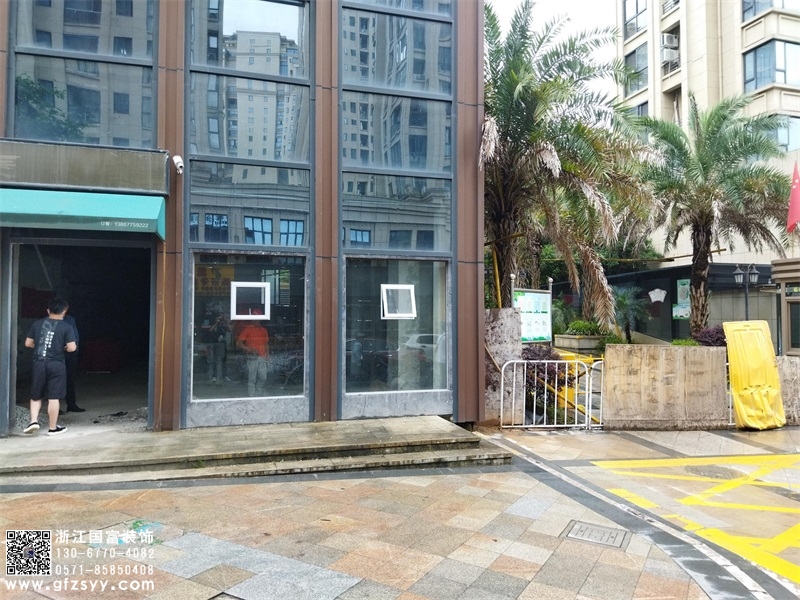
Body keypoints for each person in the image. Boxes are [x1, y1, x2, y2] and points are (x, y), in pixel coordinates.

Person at [23, 298, 76, 436]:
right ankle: (52, 428)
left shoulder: (37, 324)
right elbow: (72, 348)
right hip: (56, 364)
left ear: (48, 310)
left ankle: (33, 421)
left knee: (36, 395)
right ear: (64, 311)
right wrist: (60, 347)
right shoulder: (66, 327)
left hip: (39, 363)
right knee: (54, 397)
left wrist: (42, 346)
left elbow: (28, 343)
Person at [236, 311, 269, 396]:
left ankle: (258, 393)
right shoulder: (247, 329)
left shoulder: (264, 330)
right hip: (252, 357)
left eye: (257, 318)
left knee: (263, 377)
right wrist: (248, 349)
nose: (255, 320)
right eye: (254, 318)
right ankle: (252, 396)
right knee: (252, 378)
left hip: (262, 357)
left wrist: (267, 355)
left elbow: (266, 343)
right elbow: (238, 343)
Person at [62, 307, 85, 412]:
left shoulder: (70, 320)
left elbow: (75, 336)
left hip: (70, 353)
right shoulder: (48, 321)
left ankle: (71, 404)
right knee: (54, 381)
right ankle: (55, 407)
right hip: (55, 355)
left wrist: (74, 348)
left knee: (70, 380)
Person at [206, 314, 231, 384]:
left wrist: (226, 322)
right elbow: (210, 330)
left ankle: (224, 376)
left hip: (223, 344)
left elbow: (230, 330)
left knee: (224, 361)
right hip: (215, 344)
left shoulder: (223, 326)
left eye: (220, 319)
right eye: (218, 319)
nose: (220, 321)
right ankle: (214, 376)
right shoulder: (214, 325)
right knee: (215, 360)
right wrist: (216, 323)